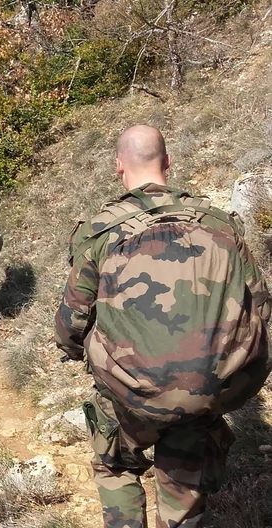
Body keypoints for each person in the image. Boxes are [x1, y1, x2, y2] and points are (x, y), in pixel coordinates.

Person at [55, 125, 272, 528]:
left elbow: (72, 319)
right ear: (168, 162)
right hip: (204, 391)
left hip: (128, 393)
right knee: (184, 490)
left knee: (116, 467)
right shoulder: (221, 225)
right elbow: (260, 306)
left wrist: (74, 351)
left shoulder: (100, 232)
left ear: (119, 167)